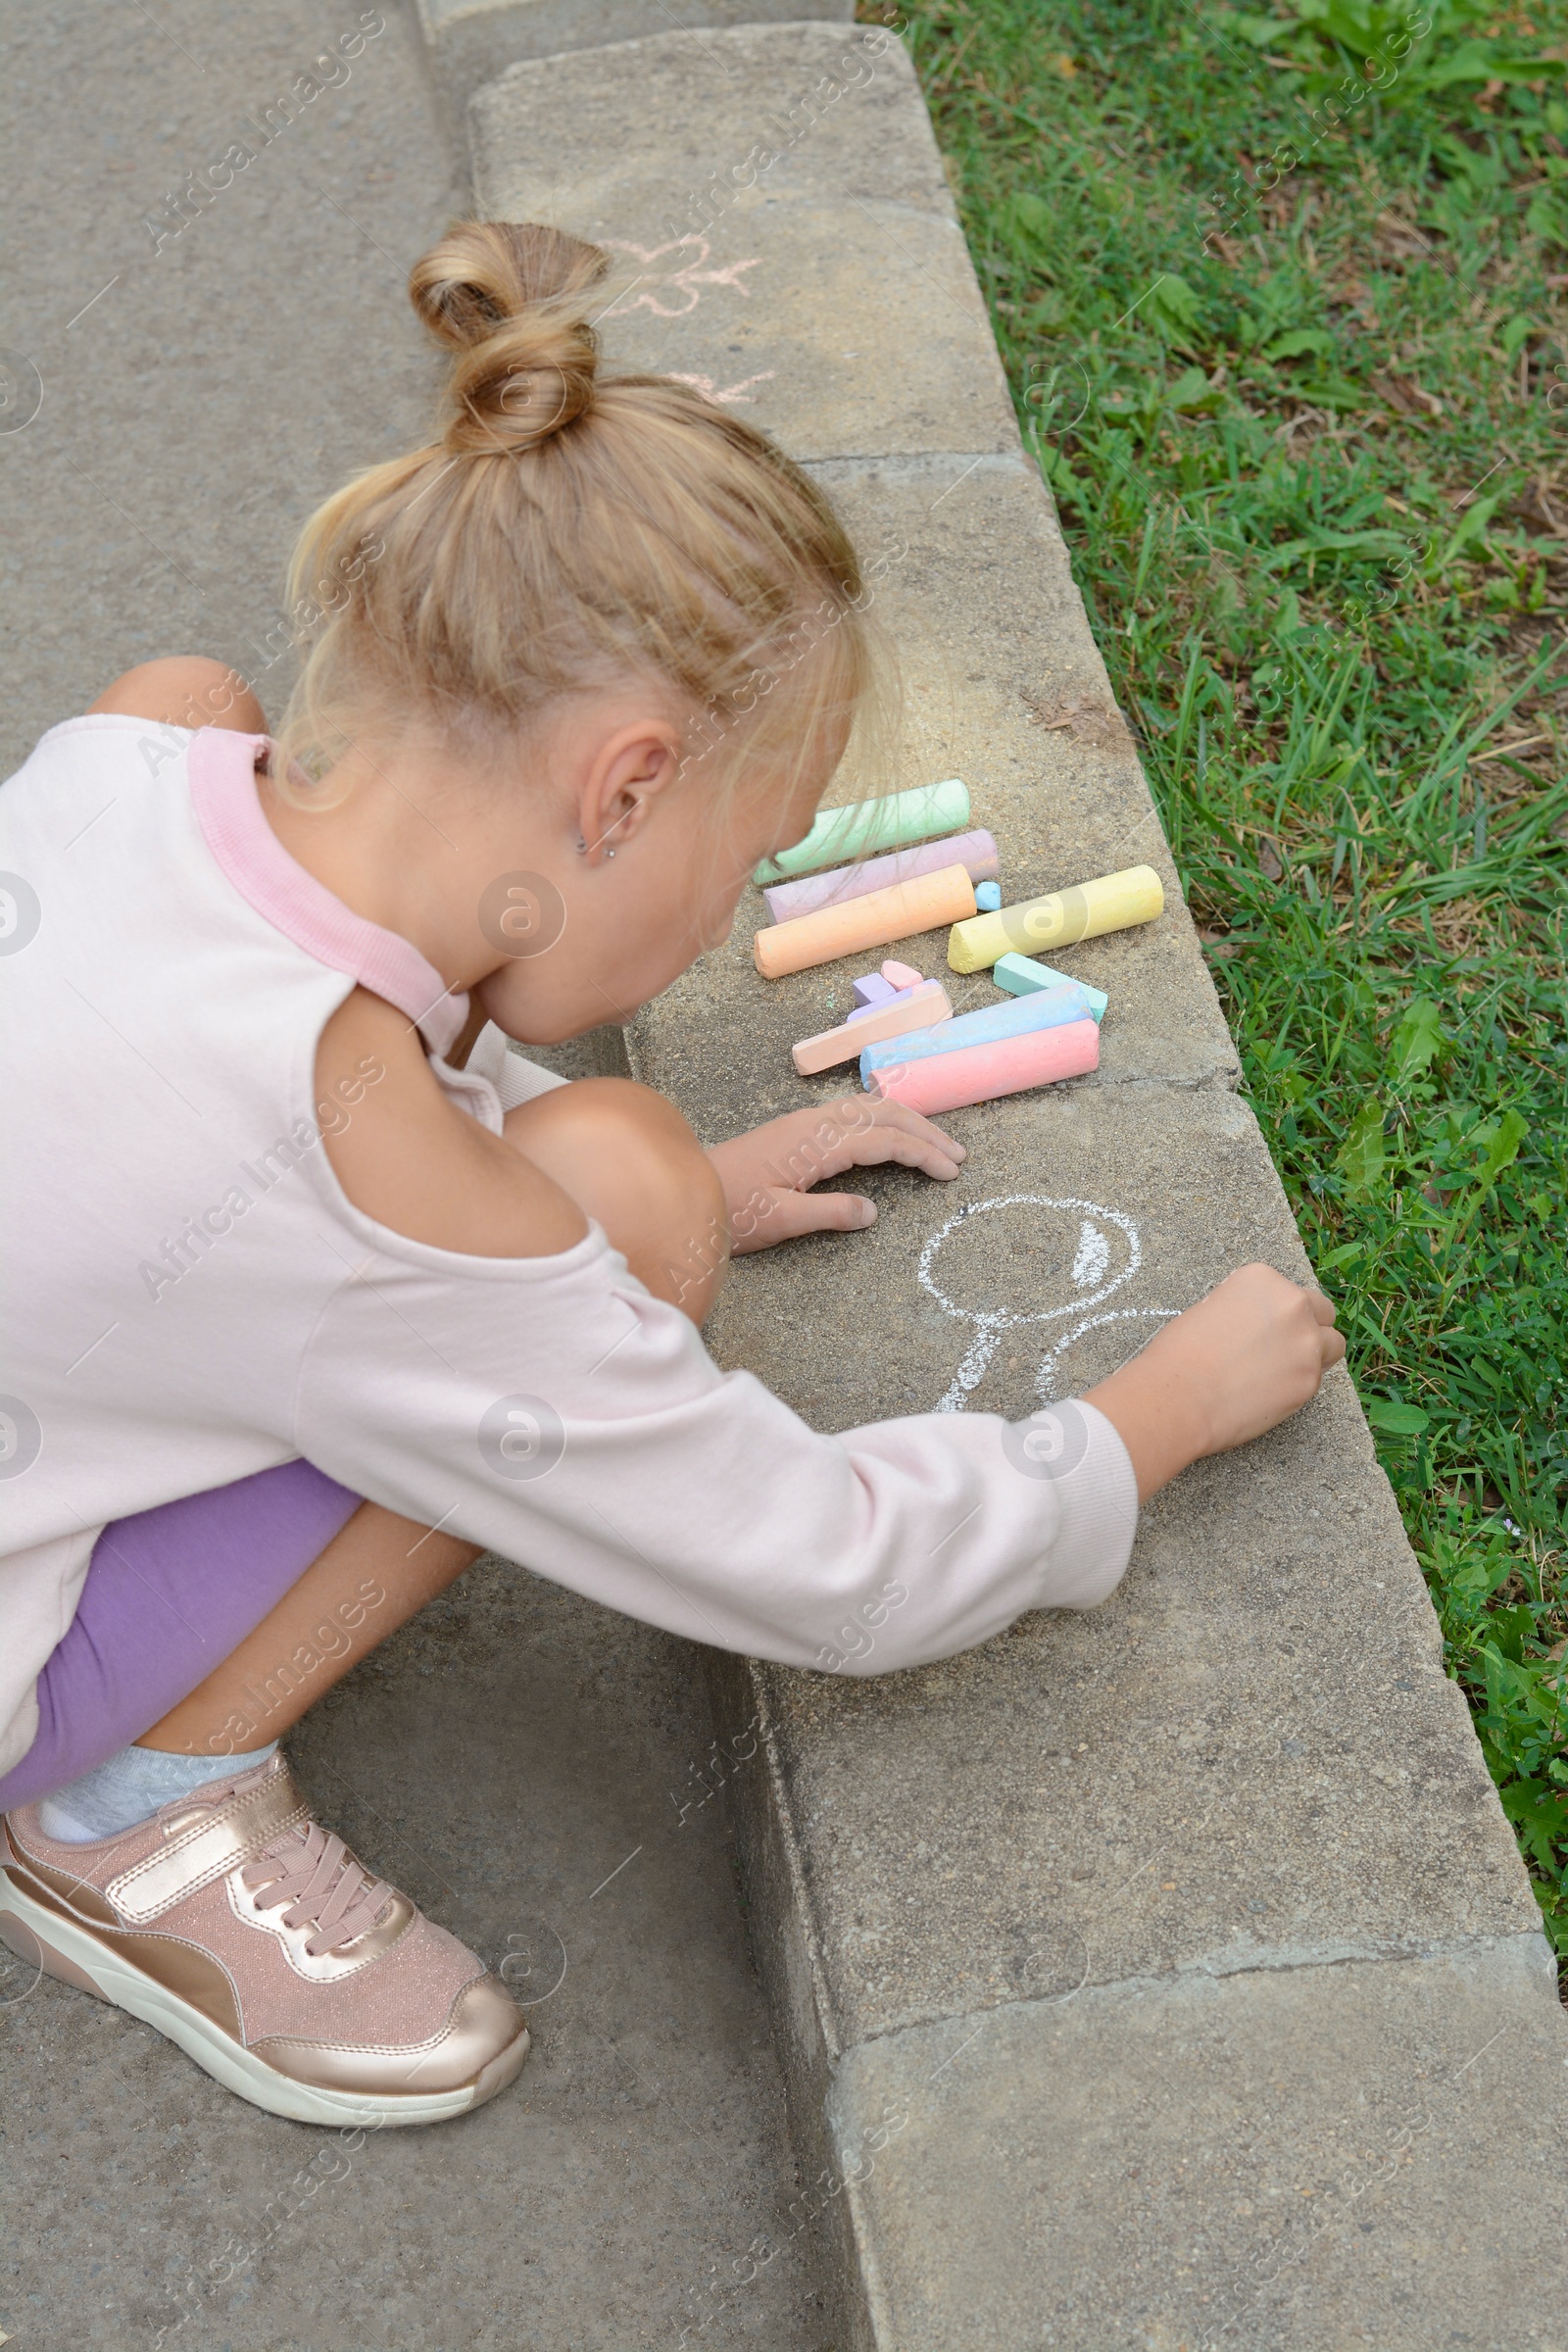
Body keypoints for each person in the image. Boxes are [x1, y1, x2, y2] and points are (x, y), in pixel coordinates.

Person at [0, 220, 1344, 2129]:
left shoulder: (162, 730)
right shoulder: (378, 1177)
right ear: (623, 791)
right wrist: (1143, 1423)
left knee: (625, 1184)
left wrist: (665, 1183)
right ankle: (128, 1813)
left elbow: (217, 1121)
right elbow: (827, 1569)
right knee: (610, 1200)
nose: (715, 929)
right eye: (740, 856)